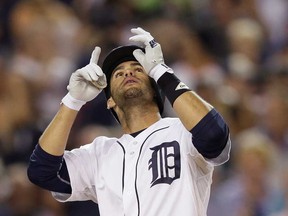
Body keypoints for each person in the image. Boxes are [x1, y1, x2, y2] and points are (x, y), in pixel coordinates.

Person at [27, 27, 231, 216]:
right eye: (118, 73)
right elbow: (42, 172)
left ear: (155, 90)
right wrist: (73, 101)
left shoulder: (183, 131)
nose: (128, 72)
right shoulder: (99, 153)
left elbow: (215, 136)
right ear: (110, 101)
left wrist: (161, 72)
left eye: (138, 69)